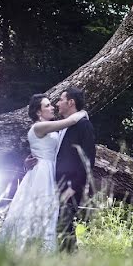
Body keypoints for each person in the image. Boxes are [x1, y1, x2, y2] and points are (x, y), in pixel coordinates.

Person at [0, 95, 87, 252]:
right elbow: (70, 122)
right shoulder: (38, 127)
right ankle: (32, 248)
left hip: (51, 169)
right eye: (47, 106)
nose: (52, 108)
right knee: (40, 210)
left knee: (49, 211)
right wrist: (82, 112)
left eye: (51, 105)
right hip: (43, 172)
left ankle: (44, 249)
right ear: (39, 112)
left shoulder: (46, 126)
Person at [51, 86, 96, 252]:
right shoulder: (63, 126)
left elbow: (88, 160)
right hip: (55, 183)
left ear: (71, 102)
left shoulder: (84, 126)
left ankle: (70, 261)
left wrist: (73, 187)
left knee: (64, 224)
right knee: (60, 225)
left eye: (61, 99)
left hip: (70, 186)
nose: (57, 104)